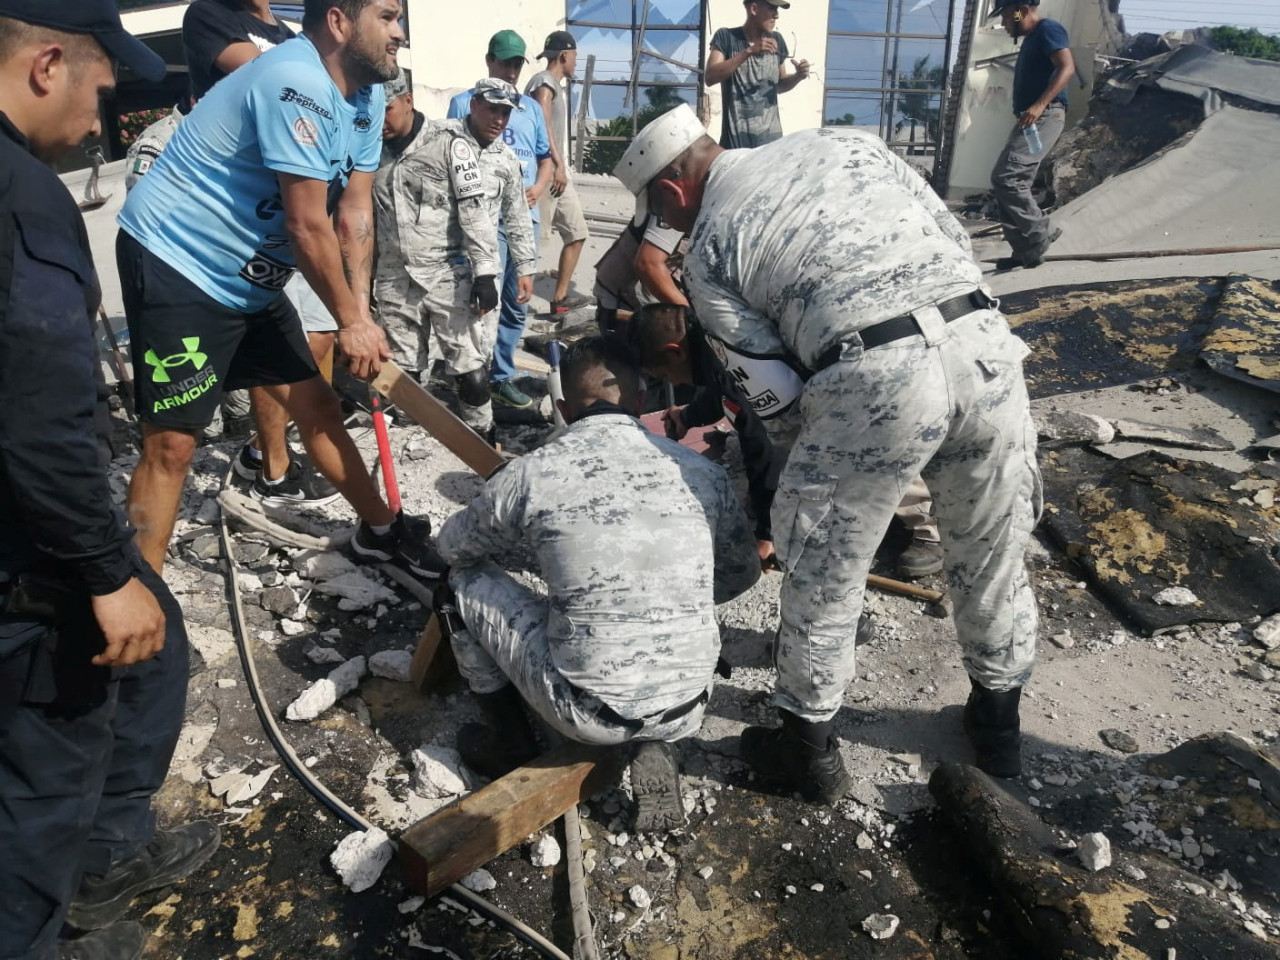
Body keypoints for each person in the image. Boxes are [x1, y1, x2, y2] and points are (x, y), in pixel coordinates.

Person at [615, 106, 1043, 801]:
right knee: (991, 546)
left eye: (662, 215)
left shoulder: (712, 246)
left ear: (669, 194)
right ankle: (998, 722)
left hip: (876, 374)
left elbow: (776, 402)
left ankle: (807, 748)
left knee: (822, 562)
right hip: (986, 343)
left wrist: (808, 491)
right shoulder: (849, 142)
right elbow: (952, 235)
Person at [0, 4, 221, 958]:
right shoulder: (23, 197)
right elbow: (38, 421)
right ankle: (48, 914)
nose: (101, 124)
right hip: (31, 553)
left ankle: (105, 851)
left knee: (157, 659)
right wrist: (102, 572)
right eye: (99, 95)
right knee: (48, 768)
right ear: (48, 63)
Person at [117, 0, 443, 580]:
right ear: (339, 22)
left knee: (318, 404)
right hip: (180, 260)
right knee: (172, 445)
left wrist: (359, 313)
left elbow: (355, 210)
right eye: (388, 17)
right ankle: (137, 594)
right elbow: (305, 223)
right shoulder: (296, 81)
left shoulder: (367, 95)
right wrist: (347, 318)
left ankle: (382, 533)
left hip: (251, 274)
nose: (400, 32)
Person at [433, 336, 760, 832]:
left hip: (587, 713)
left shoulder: (532, 473)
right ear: (639, 401)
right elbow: (740, 575)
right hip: (690, 702)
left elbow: (454, 550)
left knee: (457, 585)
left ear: (563, 408)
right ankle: (656, 737)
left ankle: (511, 743)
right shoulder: (701, 472)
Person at [184, 0, 342, 503]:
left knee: (320, 335)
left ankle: (264, 447)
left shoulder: (290, 29)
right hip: (244, 206)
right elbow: (273, 80)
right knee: (272, 341)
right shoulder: (209, 16)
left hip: (298, 196)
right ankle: (274, 465)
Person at [374, 74, 536, 440]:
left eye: (506, 113)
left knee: (474, 358)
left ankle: (481, 433)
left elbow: (514, 215)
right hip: (402, 272)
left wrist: (519, 266)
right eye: (492, 109)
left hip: (467, 269)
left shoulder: (505, 160)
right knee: (407, 363)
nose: (499, 119)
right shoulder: (439, 138)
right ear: (474, 105)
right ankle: (410, 434)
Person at [447, 31, 552, 413]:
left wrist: (539, 188)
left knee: (517, 301)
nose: (510, 70)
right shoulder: (462, 102)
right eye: (504, 62)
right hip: (484, 220)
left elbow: (546, 157)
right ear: (489, 59)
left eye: (516, 64)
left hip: (524, 217)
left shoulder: (531, 109)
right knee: (480, 300)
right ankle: (472, 373)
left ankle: (500, 376)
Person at [990, 0, 1074, 270]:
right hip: (1032, 119)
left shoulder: (1048, 29)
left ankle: (1039, 235)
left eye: (1005, 16)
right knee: (1013, 179)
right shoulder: (1032, 38)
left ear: (1021, 10)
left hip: (1044, 115)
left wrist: (1039, 106)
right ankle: (1025, 250)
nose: (1003, 23)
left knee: (1007, 177)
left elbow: (1067, 67)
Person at [525, 31, 590, 317]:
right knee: (530, 241)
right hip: (548, 172)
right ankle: (509, 305)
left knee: (577, 233)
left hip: (558, 174)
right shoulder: (544, 82)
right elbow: (542, 118)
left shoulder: (552, 84)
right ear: (564, 56)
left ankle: (560, 298)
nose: (575, 62)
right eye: (574, 57)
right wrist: (557, 162)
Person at [704, 0, 810, 149]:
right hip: (735, 147)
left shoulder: (777, 40)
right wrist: (749, 51)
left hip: (771, 149)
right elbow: (710, 77)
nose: (777, 15)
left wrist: (798, 76)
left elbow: (779, 85)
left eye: (778, 9)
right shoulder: (726, 37)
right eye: (772, 8)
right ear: (754, 8)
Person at [592, 212, 687, 337]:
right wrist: (690, 315)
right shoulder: (675, 210)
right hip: (625, 304)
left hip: (645, 303)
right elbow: (648, 264)